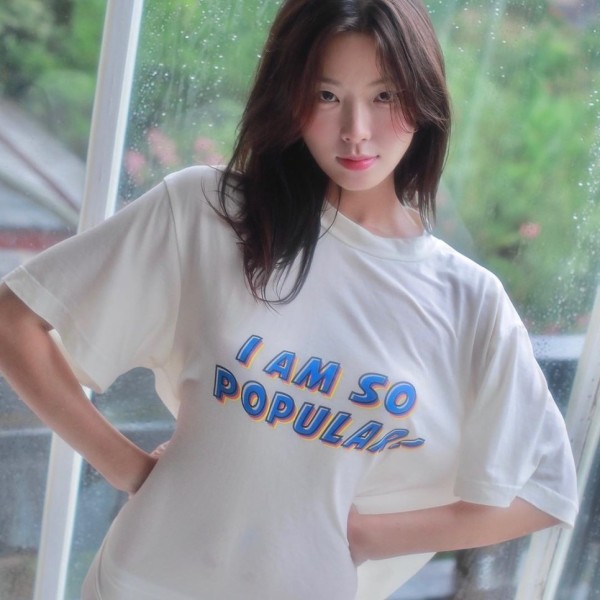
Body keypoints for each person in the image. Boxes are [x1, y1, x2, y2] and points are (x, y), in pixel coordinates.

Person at [0, 0, 578, 598]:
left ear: (423, 97)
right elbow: (13, 320)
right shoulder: (208, 212)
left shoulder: (469, 302)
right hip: (142, 581)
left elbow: (545, 490)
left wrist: (365, 537)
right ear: (291, 97)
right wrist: (128, 468)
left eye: (384, 96)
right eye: (327, 96)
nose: (356, 129)